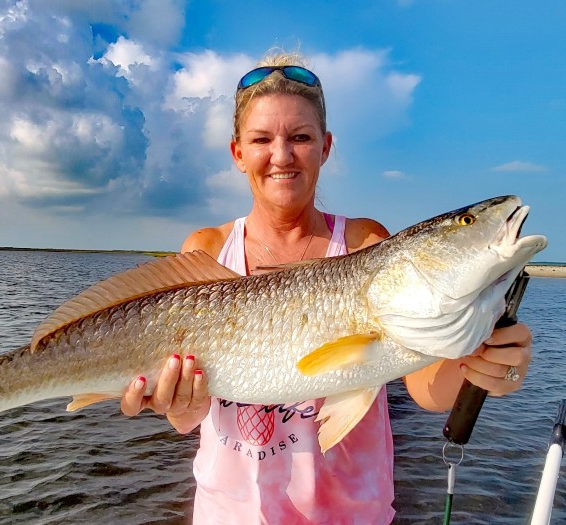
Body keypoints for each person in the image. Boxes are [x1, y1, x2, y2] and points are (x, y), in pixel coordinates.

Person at [120, 51, 533, 524]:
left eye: (300, 137)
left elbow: (426, 387)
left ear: (325, 147)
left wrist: (486, 367)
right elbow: (187, 418)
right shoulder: (206, 248)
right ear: (237, 152)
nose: (281, 155)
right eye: (261, 139)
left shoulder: (365, 244)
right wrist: (174, 402)